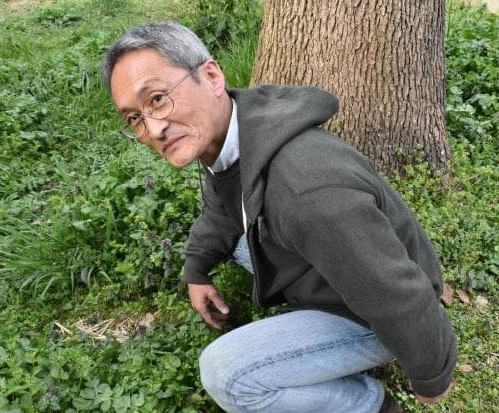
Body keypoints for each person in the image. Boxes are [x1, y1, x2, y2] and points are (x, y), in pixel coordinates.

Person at [102, 22, 457, 413]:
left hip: (370, 306)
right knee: (240, 238)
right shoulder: (230, 134)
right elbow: (222, 206)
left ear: (212, 76)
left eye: (157, 98)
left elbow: (394, 293)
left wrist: (432, 377)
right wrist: (196, 269)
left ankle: (368, 404)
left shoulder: (306, 192)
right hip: (343, 266)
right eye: (134, 118)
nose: (153, 128)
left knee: (225, 375)